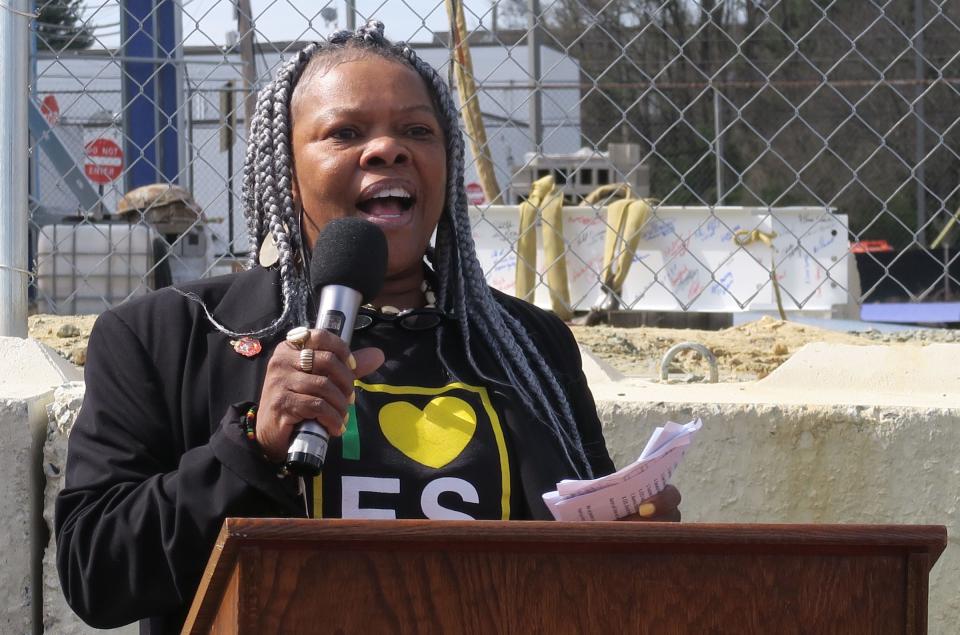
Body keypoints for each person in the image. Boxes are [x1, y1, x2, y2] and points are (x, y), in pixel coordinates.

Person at [55, 21, 680, 634]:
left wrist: (627, 544)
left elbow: (576, 565)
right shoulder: (170, 335)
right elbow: (96, 576)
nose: (388, 149)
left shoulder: (528, 347)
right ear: (285, 169)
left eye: (417, 130)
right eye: (345, 132)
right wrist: (251, 447)